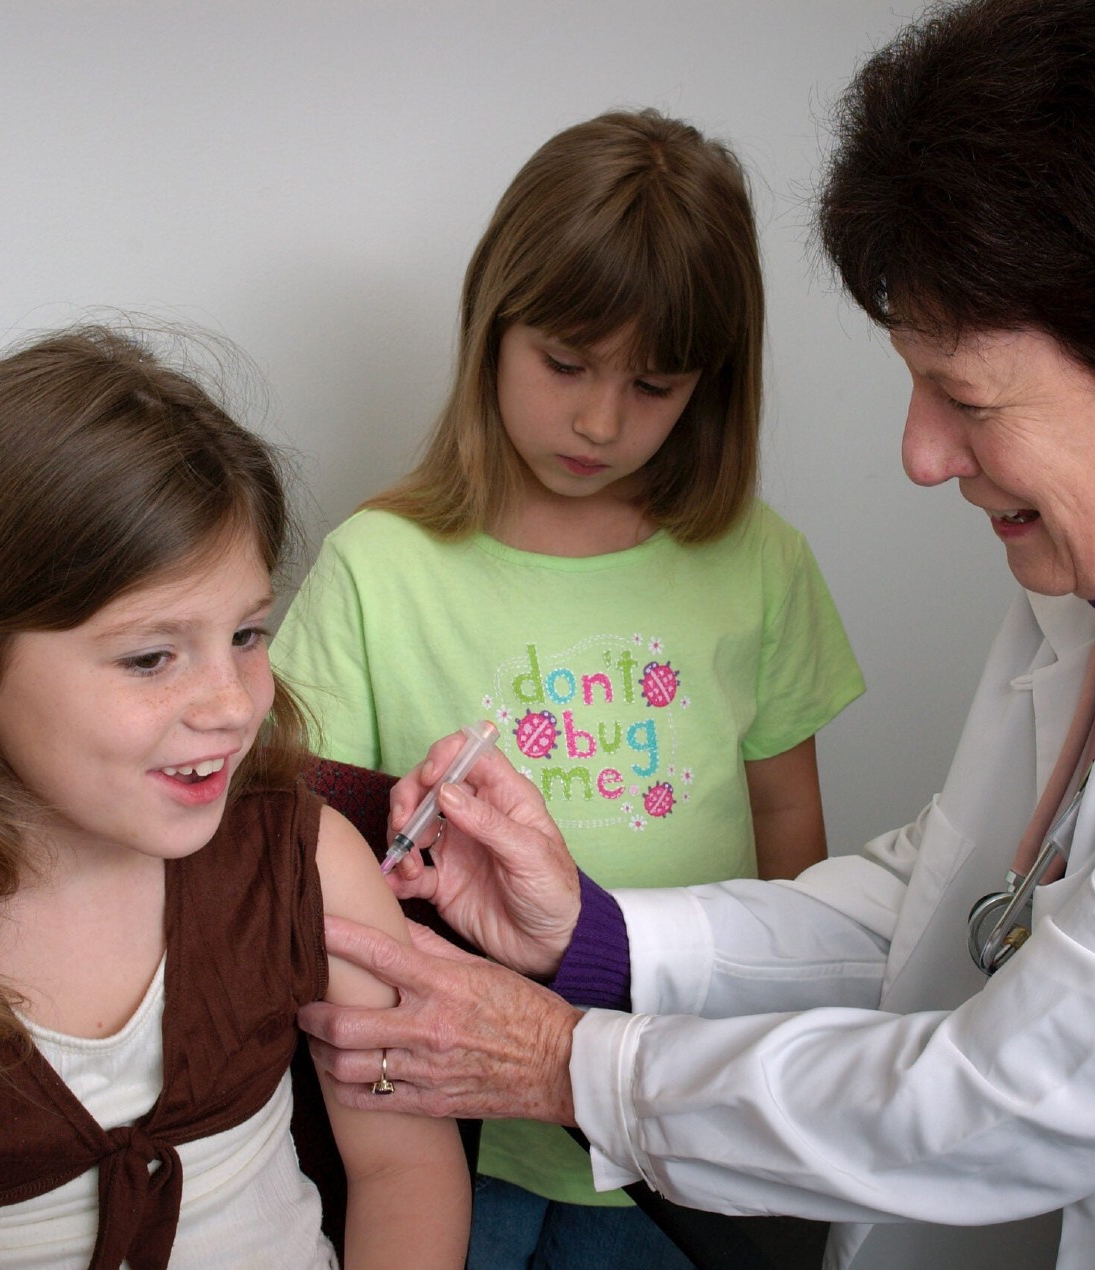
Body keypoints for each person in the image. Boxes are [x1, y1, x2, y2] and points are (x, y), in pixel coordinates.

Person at [297, 2, 1095, 1267]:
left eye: (963, 398)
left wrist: (573, 1065)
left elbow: (1011, 1098)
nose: (918, 454)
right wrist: (597, 939)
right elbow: (942, 896)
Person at [271, 108, 865, 1267]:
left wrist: (787, 1052)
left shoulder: (757, 561)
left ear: (711, 384)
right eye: (564, 364)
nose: (599, 420)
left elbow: (788, 824)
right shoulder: (376, 567)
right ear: (490, 328)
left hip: (672, 1129)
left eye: (654, 384)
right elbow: (296, 843)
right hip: (441, 1128)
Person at [0, 328, 470, 1268]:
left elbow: (403, 1172)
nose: (230, 703)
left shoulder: (310, 864)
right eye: (150, 656)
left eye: (248, 634)